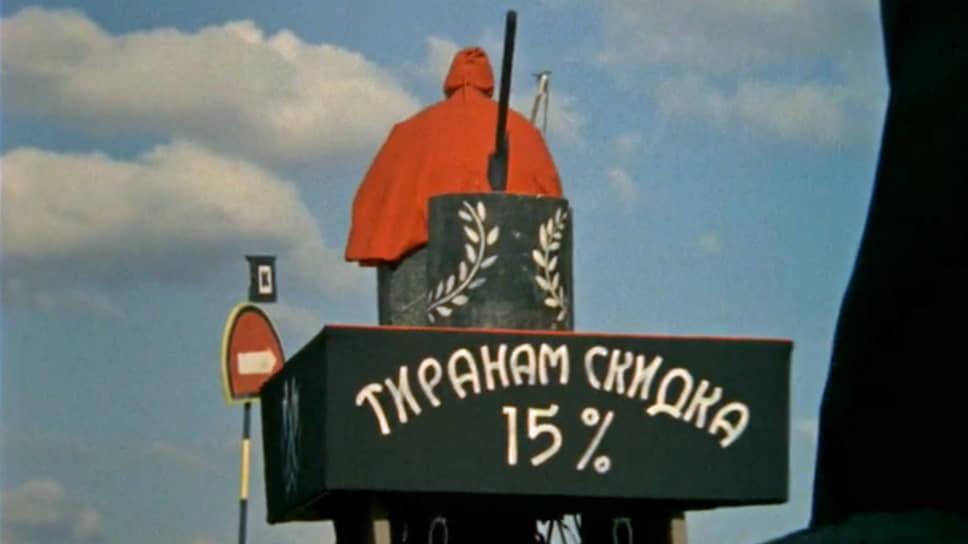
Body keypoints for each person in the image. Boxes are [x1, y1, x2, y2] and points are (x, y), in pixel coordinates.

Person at [345, 46, 562, 266]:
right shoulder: (525, 133)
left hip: (421, 271)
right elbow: (553, 217)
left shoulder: (408, 132)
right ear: (489, 85)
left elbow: (372, 208)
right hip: (509, 266)